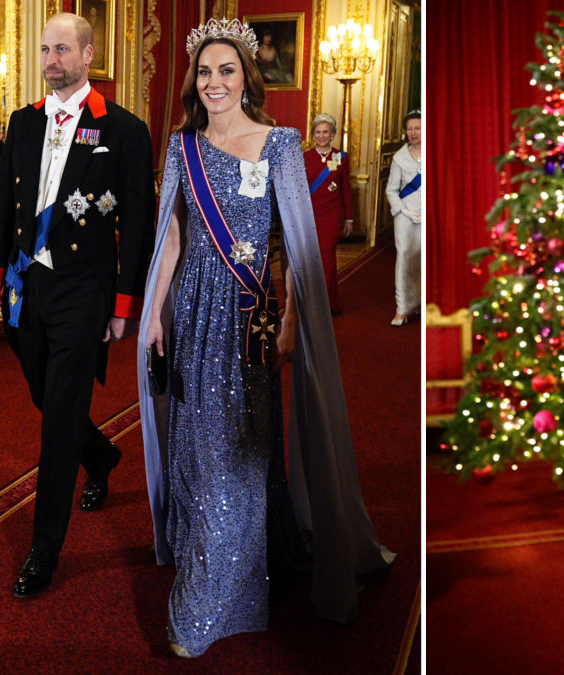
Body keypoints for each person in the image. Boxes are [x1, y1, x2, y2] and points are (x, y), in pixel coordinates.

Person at [137, 18, 395, 658]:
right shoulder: (181, 146)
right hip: (192, 309)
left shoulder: (279, 143)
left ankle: (235, 580)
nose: (214, 82)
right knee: (198, 442)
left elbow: (298, 248)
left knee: (244, 443)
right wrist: (152, 314)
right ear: (194, 83)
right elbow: (171, 238)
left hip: (248, 313)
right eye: (204, 72)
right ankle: (208, 571)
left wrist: (288, 320)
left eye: (227, 70)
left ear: (246, 77)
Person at [0, 12, 155, 598]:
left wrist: (124, 301)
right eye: (46, 50)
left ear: (88, 54)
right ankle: (101, 456)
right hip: (28, 285)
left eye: (62, 50)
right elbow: (6, 201)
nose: (51, 60)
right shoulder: (24, 123)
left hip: (83, 290)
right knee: (41, 393)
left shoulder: (123, 130)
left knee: (57, 419)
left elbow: (138, 223)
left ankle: (43, 547)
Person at [304, 112, 354, 314]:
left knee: (327, 259)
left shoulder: (341, 157)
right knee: (308, 259)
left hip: (331, 216)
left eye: (326, 132)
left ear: (332, 134)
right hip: (309, 215)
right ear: (313, 134)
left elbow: (345, 190)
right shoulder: (304, 157)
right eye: (318, 132)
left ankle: (327, 304)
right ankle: (309, 303)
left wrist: (349, 217)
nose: (322, 136)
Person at [385, 110, 421, 326]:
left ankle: (419, 302)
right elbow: (391, 190)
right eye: (410, 129)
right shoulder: (400, 157)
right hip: (405, 217)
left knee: (422, 260)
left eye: (417, 128)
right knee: (404, 259)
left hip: (426, 217)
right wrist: (404, 211)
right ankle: (402, 308)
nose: (413, 132)